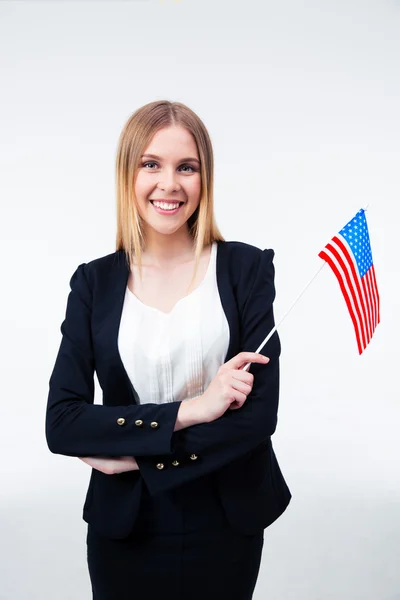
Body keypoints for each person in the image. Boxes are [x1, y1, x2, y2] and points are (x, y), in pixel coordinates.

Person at [45, 100, 292, 600]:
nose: (170, 184)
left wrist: (139, 455)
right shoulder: (94, 283)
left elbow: (257, 417)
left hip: (226, 518)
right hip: (126, 524)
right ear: (128, 174)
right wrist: (193, 410)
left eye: (187, 167)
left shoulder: (245, 270)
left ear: (205, 179)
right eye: (151, 164)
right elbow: (63, 422)